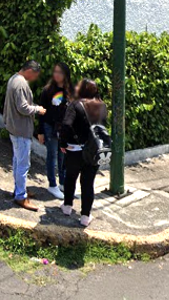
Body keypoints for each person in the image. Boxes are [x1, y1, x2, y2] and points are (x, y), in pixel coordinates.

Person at [59, 78, 108, 228]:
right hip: (93, 152)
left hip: (75, 150)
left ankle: (67, 206)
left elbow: (66, 125)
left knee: (70, 178)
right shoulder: (102, 106)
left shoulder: (76, 105)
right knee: (88, 183)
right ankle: (85, 216)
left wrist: (63, 143)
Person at [3, 60, 46, 212]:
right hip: (20, 129)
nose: (35, 78)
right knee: (23, 164)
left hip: (14, 127)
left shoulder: (14, 79)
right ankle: (21, 196)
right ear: (30, 71)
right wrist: (38, 109)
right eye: (35, 75)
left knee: (17, 161)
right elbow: (22, 107)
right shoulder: (21, 83)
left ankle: (19, 190)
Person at [36, 62, 74, 200]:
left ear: (66, 75)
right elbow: (41, 112)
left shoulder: (69, 91)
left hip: (63, 129)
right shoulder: (48, 90)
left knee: (63, 156)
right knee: (52, 155)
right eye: (55, 71)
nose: (57, 75)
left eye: (60, 72)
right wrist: (40, 132)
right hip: (50, 127)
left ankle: (63, 183)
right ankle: (52, 185)